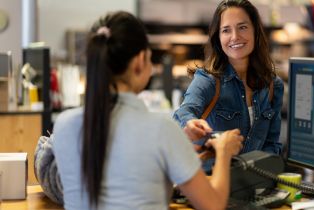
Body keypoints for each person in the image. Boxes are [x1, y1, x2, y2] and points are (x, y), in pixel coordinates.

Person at [48, 11, 244, 210]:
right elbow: (214, 204)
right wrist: (224, 152)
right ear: (140, 61)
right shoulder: (162, 129)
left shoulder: (64, 125)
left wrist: (180, 147)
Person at [173, 0, 284, 173]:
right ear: (218, 37)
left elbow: (271, 145)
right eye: (226, 30)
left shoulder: (272, 85)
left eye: (242, 27)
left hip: (255, 184)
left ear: (255, 31)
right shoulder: (208, 79)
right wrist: (190, 124)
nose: (235, 37)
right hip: (212, 182)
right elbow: (184, 112)